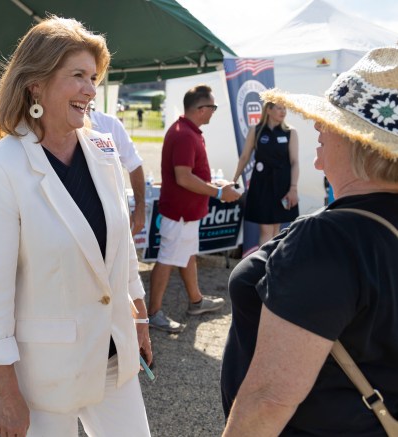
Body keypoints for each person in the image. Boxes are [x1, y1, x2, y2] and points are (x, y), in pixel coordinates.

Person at [0, 16, 152, 437]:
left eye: (94, 77)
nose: (90, 90)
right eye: (78, 76)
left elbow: (121, 247)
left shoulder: (103, 151)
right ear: (35, 83)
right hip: (43, 379)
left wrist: (138, 319)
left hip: (112, 359)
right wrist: (7, 392)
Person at [221, 47, 398, 436]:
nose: (318, 127)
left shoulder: (329, 240)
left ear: (361, 142)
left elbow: (268, 400)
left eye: (329, 122)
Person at [148, 85, 240, 333]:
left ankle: (196, 301)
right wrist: (219, 192)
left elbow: (190, 175)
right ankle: (153, 313)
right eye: (213, 107)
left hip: (185, 213)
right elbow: (184, 178)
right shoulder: (185, 134)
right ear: (201, 109)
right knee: (167, 259)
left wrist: (215, 184)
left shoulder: (188, 131)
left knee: (187, 255)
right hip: (180, 213)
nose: (214, 112)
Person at [232, 101, 300, 246]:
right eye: (279, 108)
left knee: (277, 229)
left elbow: (295, 161)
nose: (283, 112)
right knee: (266, 229)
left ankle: (272, 265)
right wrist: (235, 178)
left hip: (283, 185)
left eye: (285, 109)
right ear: (268, 110)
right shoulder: (256, 130)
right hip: (262, 184)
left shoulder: (290, 132)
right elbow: (244, 157)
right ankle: (264, 265)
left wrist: (293, 188)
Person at [89, 102, 146, 235]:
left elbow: (134, 164)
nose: (89, 88)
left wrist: (140, 205)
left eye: (92, 80)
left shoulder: (110, 124)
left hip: (114, 219)